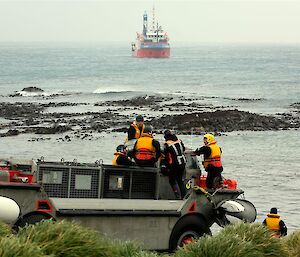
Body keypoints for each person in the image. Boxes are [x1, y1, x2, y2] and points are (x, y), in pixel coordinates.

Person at [162, 130, 187, 199]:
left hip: (174, 164)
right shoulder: (179, 141)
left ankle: (177, 195)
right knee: (180, 180)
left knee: (172, 180)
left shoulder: (167, 144)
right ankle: (184, 196)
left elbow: (166, 156)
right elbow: (183, 149)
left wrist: (165, 166)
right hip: (182, 162)